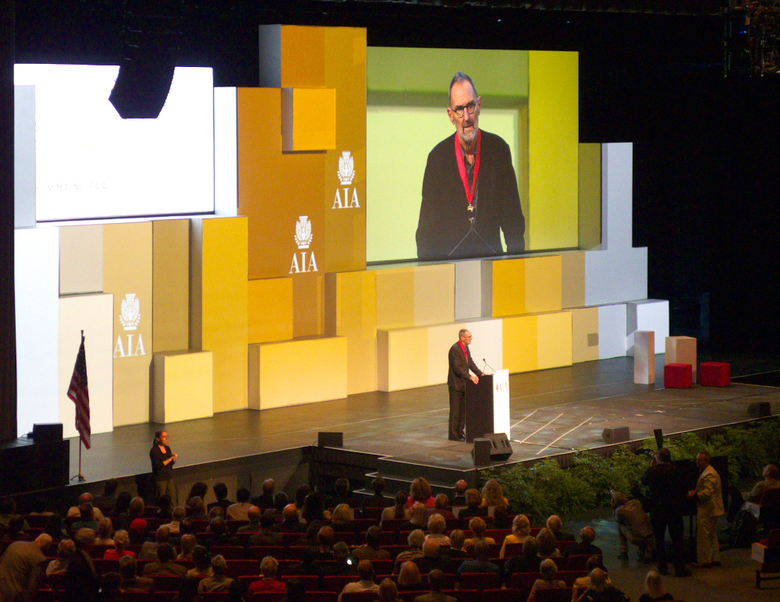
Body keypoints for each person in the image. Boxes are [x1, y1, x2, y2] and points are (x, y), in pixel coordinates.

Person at [416, 72, 525, 261]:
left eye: (470, 106)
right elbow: (426, 234)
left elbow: (513, 223)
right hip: (452, 269)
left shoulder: (499, 151)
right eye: (459, 109)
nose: (466, 117)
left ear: (479, 105)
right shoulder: (437, 159)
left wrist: (514, 269)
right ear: (451, 115)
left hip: (492, 266)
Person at [641, 447, 690, 577]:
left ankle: (662, 566)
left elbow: (643, 481)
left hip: (657, 510)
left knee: (659, 539)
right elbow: (683, 488)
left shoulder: (652, 471)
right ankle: (679, 568)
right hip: (674, 509)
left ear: (658, 458)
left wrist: (652, 466)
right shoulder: (675, 471)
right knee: (677, 539)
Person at [688, 451, 724, 568]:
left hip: (708, 508)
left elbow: (707, 493)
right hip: (712, 508)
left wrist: (695, 495)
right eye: (697, 459)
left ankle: (705, 560)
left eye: (700, 460)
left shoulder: (709, 474)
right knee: (712, 534)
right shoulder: (709, 472)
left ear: (707, 461)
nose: (697, 462)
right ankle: (715, 558)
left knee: (703, 535)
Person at [447, 329, 483, 441]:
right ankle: (453, 434)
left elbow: (470, 363)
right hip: (456, 385)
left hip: (464, 384)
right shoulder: (455, 349)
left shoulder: (465, 348)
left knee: (463, 411)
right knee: (455, 411)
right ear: (462, 338)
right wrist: (470, 377)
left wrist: (480, 374)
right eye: (469, 336)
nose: (471, 338)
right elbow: (457, 368)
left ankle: (460, 432)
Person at [0, 533, 52, 600]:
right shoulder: (40, 558)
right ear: (47, 548)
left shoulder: (15, 544)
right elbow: (32, 587)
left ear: (37, 540)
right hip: (15, 595)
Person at [611, 491, 653, 562]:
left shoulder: (620, 511)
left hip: (638, 539)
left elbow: (617, 519)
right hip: (651, 536)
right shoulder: (636, 502)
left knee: (620, 526)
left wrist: (613, 506)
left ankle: (624, 552)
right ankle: (648, 549)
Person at [149, 430, 177, 502]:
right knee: (161, 498)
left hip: (169, 477)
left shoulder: (167, 448)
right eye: (164, 437)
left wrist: (174, 460)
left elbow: (170, 464)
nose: (166, 438)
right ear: (158, 439)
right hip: (160, 479)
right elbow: (158, 465)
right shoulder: (154, 450)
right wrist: (170, 459)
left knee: (172, 497)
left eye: (167, 436)